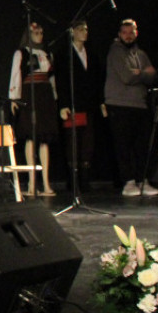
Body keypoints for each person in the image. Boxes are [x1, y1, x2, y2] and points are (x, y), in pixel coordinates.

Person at [104, 19, 158, 197]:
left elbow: (154, 76)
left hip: (141, 104)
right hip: (120, 104)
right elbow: (127, 77)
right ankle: (128, 182)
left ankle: (142, 181)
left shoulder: (141, 54)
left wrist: (140, 73)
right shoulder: (115, 52)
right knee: (124, 146)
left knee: (143, 146)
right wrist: (143, 73)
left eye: (131, 32)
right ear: (119, 34)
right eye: (125, 32)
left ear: (136, 33)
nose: (128, 36)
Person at [9, 22, 58, 197]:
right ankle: (31, 182)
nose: (39, 35)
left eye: (41, 32)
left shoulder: (46, 54)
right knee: (31, 137)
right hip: (29, 95)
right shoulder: (21, 53)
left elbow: (51, 78)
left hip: (44, 96)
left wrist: (55, 97)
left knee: (44, 139)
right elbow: (16, 74)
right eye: (35, 32)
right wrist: (14, 97)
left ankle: (45, 183)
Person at [57, 20, 103, 191]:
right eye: (81, 29)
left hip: (88, 103)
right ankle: (73, 179)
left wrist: (100, 101)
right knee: (73, 140)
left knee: (88, 141)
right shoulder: (64, 54)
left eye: (86, 29)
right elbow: (61, 81)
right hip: (73, 104)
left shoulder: (90, 53)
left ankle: (85, 177)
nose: (84, 32)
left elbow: (96, 79)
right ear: (72, 32)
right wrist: (63, 104)